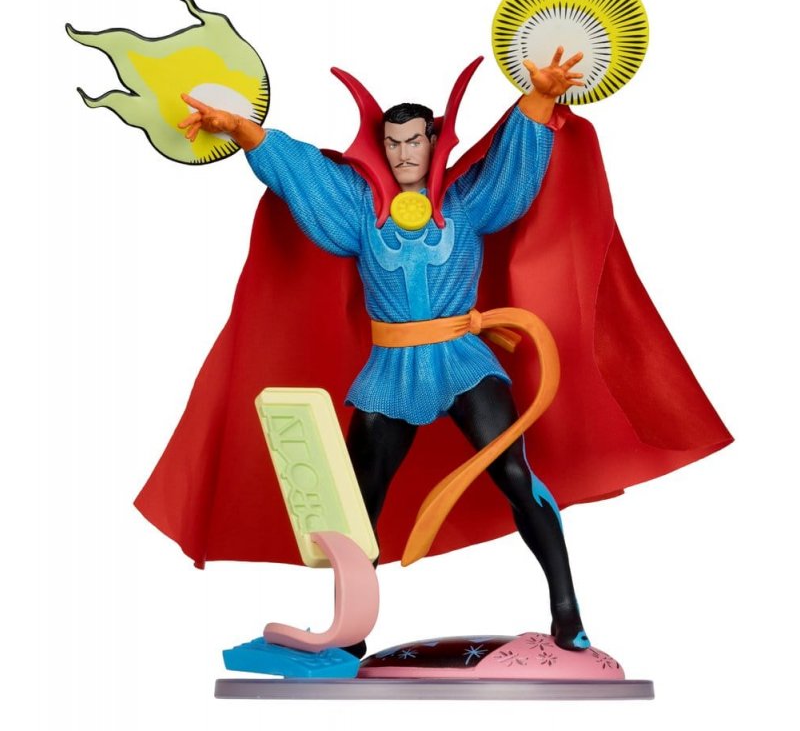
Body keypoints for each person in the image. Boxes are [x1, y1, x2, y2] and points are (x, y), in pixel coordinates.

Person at [178, 48, 593, 652]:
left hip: (463, 360)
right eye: (393, 143)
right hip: (389, 374)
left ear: (434, 141)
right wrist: (243, 130)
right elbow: (301, 173)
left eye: (414, 140)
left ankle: (567, 613)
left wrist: (540, 98)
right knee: (356, 504)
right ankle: (349, 634)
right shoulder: (359, 210)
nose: (403, 153)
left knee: (512, 471)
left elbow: (510, 171)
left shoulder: (464, 202)